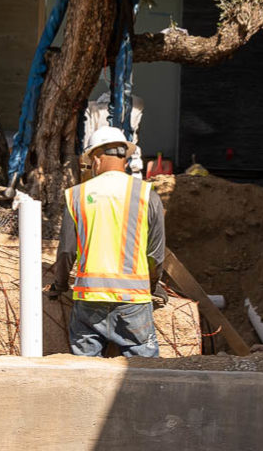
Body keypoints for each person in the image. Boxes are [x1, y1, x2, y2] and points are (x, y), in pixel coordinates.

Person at [51, 126, 166, 358]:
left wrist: (59, 286)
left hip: (89, 299)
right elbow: (155, 254)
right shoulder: (147, 194)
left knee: (86, 372)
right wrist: (153, 286)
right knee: (143, 372)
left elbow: (66, 252)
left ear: (96, 158)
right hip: (133, 301)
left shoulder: (77, 195)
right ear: (124, 158)